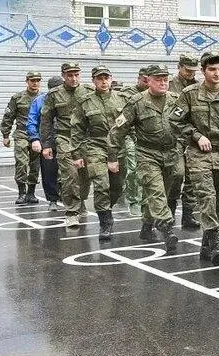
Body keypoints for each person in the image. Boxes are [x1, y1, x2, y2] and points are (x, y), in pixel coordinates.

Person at [169, 52, 219, 265]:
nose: (217, 73)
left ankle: (206, 245)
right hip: (198, 154)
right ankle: (216, 241)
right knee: (207, 197)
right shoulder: (190, 93)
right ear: (203, 72)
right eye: (212, 69)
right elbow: (175, 120)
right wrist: (196, 135)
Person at [108, 65, 184, 250]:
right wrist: (112, 156)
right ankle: (167, 228)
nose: (163, 82)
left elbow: (185, 125)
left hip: (171, 154)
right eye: (158, 79)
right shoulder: (137, 102)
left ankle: (147, 225)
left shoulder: (176, 100)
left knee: (161, 194)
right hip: (147, 154)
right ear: (148, 80)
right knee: (156, 190)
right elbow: (118, 130)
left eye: (165, 79)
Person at [71, 66, 128, 241]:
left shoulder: (123, 99)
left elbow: (131, 123)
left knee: (117, 187)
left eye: (106, 78)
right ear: (94, 81)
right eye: (99, 78)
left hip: (118, 147)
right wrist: (77, 154)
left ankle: (107, 208)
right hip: (95, 145)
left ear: (111, 79)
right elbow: (77, 128)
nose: (104, 81)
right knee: (101, 184)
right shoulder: (85, 102)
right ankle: (105, 222)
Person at [40, 62, 92, 229]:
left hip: (86, 139)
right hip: (65, 138)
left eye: (76, 74)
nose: (74, 78)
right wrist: (46, 144)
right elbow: (46, 120)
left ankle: (81, 200)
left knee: (85, 176)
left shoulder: (89, 91)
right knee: (70, 175)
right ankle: (71, 212)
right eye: (70, 75)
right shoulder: (54, 94)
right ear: (63, 76)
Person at [1, 71, 42, 205]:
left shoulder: (44, 98)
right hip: (22, 134)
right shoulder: (17, 98)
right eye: (32, 80)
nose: (35, 83)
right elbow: (8, 117)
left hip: (37, 136)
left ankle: (31, 193)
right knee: (21, 163)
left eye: (37, 80)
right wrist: (5, 135)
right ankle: (21, 193)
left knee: (35, 166)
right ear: (27, 81)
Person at [170, 54, 201, 229]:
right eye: (187, 70)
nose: (190, 73)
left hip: (194, 137)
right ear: (179, 67)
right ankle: (170, 211)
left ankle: (188, 215)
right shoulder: (169, 85)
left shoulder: (198, 87)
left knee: (192, 178)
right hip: (176, 137)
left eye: (193, 71)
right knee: (177, 174)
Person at [26, 76, 63, 210]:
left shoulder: (69, 98)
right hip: (47, 140)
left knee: (70, 171)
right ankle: (52, 199)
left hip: (66, 138)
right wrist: (35, 139)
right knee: (49, 171)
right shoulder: (40, 100)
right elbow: (31, 122)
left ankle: (68, 197)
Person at [120, 66, 151, 216]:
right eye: (144, 80)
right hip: (129, 135)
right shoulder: (127, 94)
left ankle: (146, 200)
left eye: (149, 80)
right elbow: (121, 119)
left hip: (148, 137)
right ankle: (133, 201)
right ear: (138, 78)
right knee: (132, 169)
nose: (147, 83)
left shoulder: (154, 94)